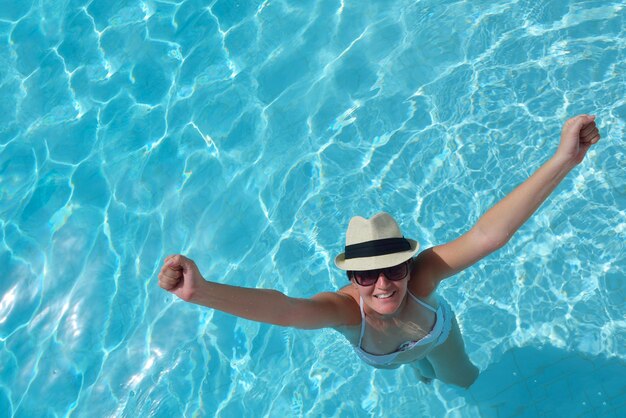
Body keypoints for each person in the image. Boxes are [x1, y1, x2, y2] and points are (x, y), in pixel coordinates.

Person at [157, 115, 601, 388]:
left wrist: (564, 158)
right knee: (421, 375)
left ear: (409, 264)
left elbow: (489, 234)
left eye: (394, 268)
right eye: (367, 275)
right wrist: (203, 292)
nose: (384, 283)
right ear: (352, 278)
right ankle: (422, 376)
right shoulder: (347, 312)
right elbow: (286, 310)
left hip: (439, 338)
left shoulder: (423, 278)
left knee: (462, 382)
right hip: (391, 358)